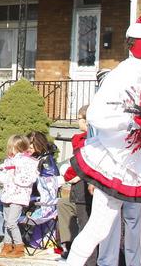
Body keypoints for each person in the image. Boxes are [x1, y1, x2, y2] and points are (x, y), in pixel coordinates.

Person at [65, 6, 141, 266]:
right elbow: (97, 115)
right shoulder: (124, 73)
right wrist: (136, 122)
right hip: (119, 163)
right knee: (98, 228)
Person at [0, 134, 39, 258]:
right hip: (7, 195)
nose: (10, 150)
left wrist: (15, 173)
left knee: (11, 222)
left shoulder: (29, 162)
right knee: (7, 222)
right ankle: (7, 245)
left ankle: (19, 247)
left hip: (19, 197)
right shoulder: (9, 161)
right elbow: (5, 179)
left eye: (12, 147)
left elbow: (28, 179)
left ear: (18, 147)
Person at [58, 105, 97, 265]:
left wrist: (68, 176)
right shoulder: (81, 139)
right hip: (80, 189)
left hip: (85, 190)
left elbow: (81, 163)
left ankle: (89, 261)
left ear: (87, 121)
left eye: (79, 118)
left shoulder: (87, 141)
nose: (77, 121)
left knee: (86, 227)